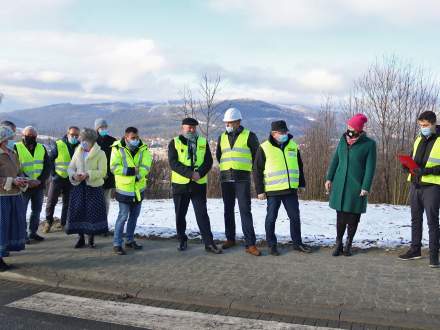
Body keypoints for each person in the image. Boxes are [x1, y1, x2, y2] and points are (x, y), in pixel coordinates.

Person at [253, 120, 310, 256]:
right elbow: (257, 170)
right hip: (273, 191)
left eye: (285, 132)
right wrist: (260, 190)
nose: (284, 134)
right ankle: (272, 245)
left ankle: (297, 243)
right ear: (273, 133)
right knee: (271, 218)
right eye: (281, 132)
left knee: (295, 217)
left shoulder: (293, 146)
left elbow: (299, 166)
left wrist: (301, 183)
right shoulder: (264, 147)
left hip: (290, 190)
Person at [325, 114, 377, 257]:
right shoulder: (343, 140)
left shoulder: (369, 144)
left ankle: (348, 243)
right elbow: (335, 159)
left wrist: (365, 186)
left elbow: (370, 168)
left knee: (353, 217)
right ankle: (338, 243)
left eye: (351, 128)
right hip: (340, 185)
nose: (348, 130)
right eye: (348, 127)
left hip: (356, 186)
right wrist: (329, 178)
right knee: (340, 217)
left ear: (359, 130)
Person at [168, 118, 222, 254]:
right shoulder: (174, 142)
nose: (191, 130)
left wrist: (200, 173)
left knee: (202, 214)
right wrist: (190, 174)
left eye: (193, 127)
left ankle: (209, 243)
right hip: (180, 185)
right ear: (183, 128)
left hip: (198, 185)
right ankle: (182, 240)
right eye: (189, 127)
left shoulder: (202, 142)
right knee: (180, 214)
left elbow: (208, 161)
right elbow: (173, 163)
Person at [216, 107, 261, 256]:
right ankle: (230, 238)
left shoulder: (250, 136)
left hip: (242, 178)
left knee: (244, 210)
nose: (227, 125)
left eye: (230, 122)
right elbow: (219, 155)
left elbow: (257, 158)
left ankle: (250, 244)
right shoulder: (221, 137)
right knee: (228, 210)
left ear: (238, 122)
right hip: (226, 178)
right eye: (226, 123)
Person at [398, 111, 440, 268]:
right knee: (415, 219)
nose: (423, 128)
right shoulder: (418, 139)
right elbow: (413, 159)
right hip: (415, 184)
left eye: (426, 125)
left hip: (433, 187)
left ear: (433, 124)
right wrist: (406, 166)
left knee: (432, 221)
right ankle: (415, 250)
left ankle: (434, 256)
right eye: (421, 125)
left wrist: (426, 171)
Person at [110, 127, 152, 255]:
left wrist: (139, 175)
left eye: (137, 137)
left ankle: (129, 240)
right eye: (133, 138)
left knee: (134, 217)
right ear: (126, 137)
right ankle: (117, 244)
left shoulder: (143, 148)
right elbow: (114, 167)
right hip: (124, 189)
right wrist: (131, 171)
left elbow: (146, 165)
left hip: (138, 188)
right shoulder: (117, 148)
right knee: (122, 217)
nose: (135, 140)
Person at [66, 128, 108, 248]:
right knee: (78, 212)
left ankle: (91, 238)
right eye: (81, 140)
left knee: (92, 213)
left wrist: (88, 174)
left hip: (93, 187)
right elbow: (70, 168)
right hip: (79, 186)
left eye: (84, 140)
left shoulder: (100, 153)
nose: (82, 143)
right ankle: (80, 238)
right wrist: (74, 176)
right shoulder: (78, 151)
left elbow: (103, 171)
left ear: (92, 141)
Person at [15, 126, 51, 243]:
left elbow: (47, 166)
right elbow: (15, 167)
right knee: (22, 212)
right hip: (24, 186)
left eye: (33, 136)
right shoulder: (16, 147)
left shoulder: (41, 148)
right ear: (22, 136)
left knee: (36, 211)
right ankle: (23, 235)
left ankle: (33, 232)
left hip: (39, 186)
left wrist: (40, 180)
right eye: (28, 136)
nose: (31, 138)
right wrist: (27, 180)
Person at [0, 125, 27, 271]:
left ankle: (2, 256)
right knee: (1, 228)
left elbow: (19, 171)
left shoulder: (12, 153)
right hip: (2, 197)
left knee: (9, 227)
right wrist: (11, 181)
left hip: (14, 196)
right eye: (10, 138)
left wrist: (23, 180)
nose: (12, 141)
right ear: (3, 140)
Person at [44, 126, 80, 232]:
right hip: (58, 178)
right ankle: (48, 222)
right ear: (67, 134)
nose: (74, 137)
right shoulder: (59, 144)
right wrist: (53, 174)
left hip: (71, 179)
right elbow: (50, 159)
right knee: (51, 201)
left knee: (67, 203)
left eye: (76, 135)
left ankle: (64, 223)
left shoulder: (80, 146)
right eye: (72, 135)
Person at [95, 118, 116, 215]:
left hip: (108, 176)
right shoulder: (93, 141)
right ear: (97, 129)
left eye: (105, 127)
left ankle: (104, 222)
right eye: (101, 127)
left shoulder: (113, 141)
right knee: (94, 201)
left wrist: (107, 172)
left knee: (106, 201)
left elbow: (115, 159)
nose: (104, 129)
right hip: (95, 176)